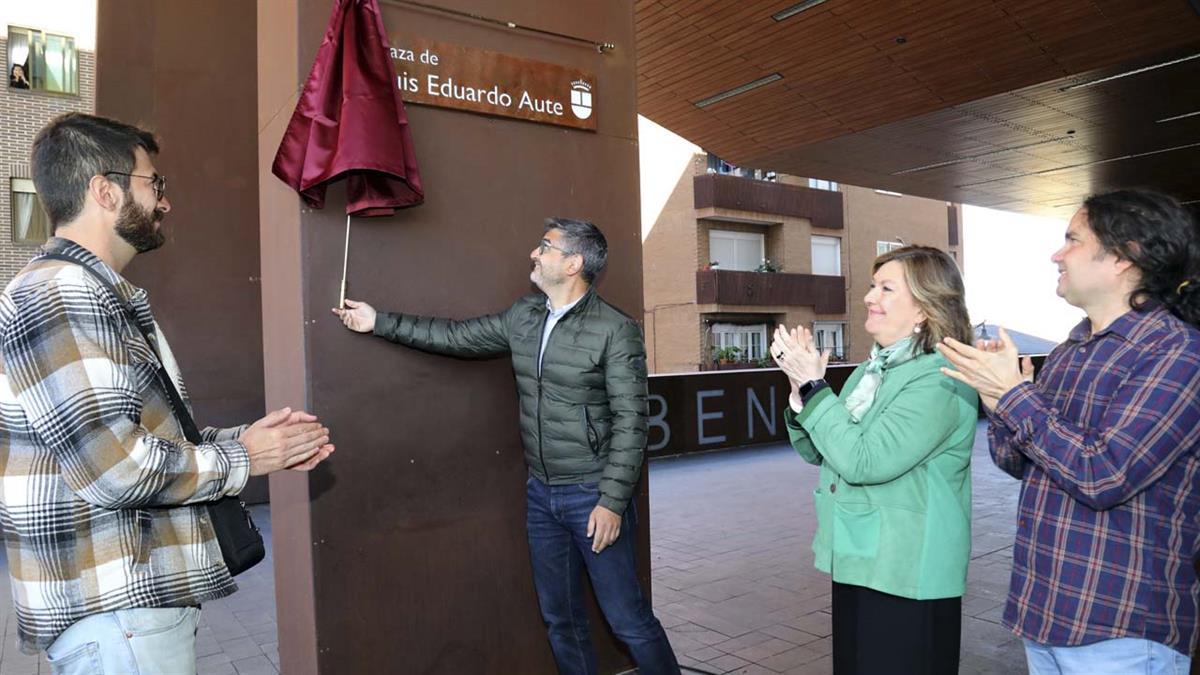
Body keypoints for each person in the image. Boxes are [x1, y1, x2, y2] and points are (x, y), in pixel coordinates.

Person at [0, 112, 335, 672]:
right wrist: (245, 456)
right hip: (117, 615)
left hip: (126, 613)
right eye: (153, 183)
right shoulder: (62, 293)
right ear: (105, 191)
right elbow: (114, 469)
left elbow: (137, 440)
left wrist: (250, 441)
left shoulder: (94, 292)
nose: (165, 202)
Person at [333, 218, 679, 675]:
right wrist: (379, 322)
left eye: (545, 247)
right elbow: (456, 336)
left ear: (574, 262)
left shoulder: (615, 329)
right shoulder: (524, 316)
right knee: (561, 619)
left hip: (592, 496)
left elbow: (633, 422)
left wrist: (612, 503)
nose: (534, 254)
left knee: (627, 620)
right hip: (542, 495)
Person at [938, 188, 1200, 674]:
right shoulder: (1070, 349)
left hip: (1120, 625)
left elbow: (1103, 474)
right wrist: (997, 396)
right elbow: (1018, 461)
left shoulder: (1178, 353)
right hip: (1048, 612)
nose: (1056, 254)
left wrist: (1015, 395)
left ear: (1124, 256)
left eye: (1072, 240)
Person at [772, 245, 978, 674]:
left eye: (886, 288)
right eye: (872, 286)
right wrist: (799, 393)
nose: (869, 297)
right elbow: (818, 449)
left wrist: (815, 389)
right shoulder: (873, 372)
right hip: (860, 557)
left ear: (924, 308)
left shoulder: (938, 378)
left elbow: (864, 461)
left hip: (906, 570)